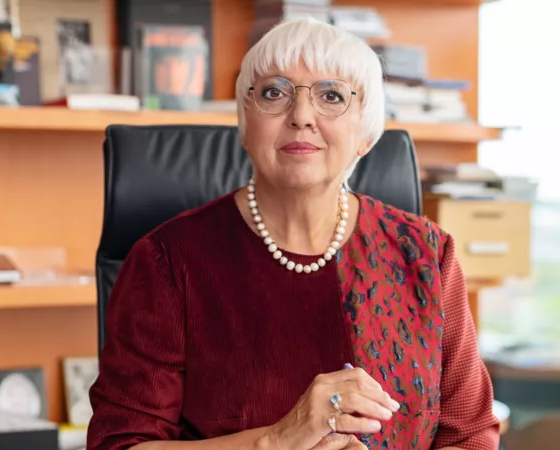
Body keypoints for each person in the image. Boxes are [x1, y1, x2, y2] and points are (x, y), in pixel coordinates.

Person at [87, 17, 500, 450]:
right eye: (274, 93)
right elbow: (120, 446)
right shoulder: (167, 261)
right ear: (246, 123)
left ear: (365, 132)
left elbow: (470, 435)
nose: (301, 116)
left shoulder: (426, 253)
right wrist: (279, 439)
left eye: (331, 96)